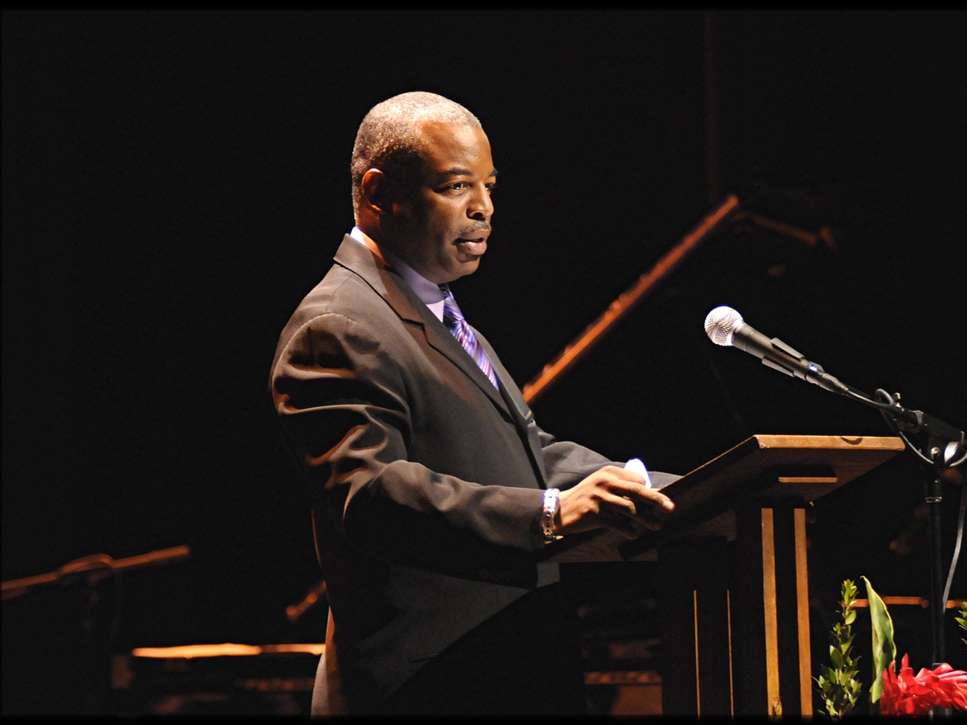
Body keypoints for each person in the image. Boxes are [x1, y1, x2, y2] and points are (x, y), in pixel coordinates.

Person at [268, 90, 679, 716]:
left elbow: (523, 455)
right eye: (457, 186)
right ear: (379, 193)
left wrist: (678, 489)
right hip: (428, 691)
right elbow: (373, 494)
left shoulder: (433, 309)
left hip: (499, 676)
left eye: (488, 186)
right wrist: (550, 514)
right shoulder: (338, 324)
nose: (484, 209)